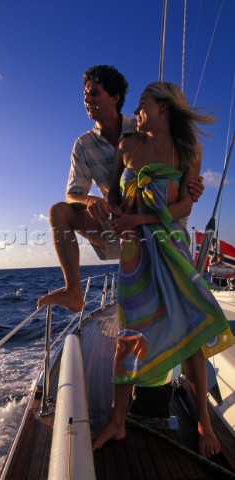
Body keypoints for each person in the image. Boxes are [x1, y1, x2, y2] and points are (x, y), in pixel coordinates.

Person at [92, 81, 234, 458]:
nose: (137, 112)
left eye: (143, 104)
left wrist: (139, 218)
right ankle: (117, 419)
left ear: (165, 107)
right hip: (133, 253)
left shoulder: (188, 151)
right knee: (131, 331)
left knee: (189, 326)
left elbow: (186, 207)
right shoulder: (127, 145)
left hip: (169, 247)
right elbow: (114, 198)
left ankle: (203, 419)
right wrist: (114, 215)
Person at [37, 65, 204, 312]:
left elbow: (176, 156)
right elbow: (72, 194)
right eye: (85, 94)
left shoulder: (142, 126)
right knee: (58, 212)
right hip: (118, 224)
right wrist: (90, 201)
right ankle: (73, 291)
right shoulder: (82, 145)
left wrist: (192, 185)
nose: (86, 99)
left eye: (94, 93)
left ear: (115, 97)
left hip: (158, 225)